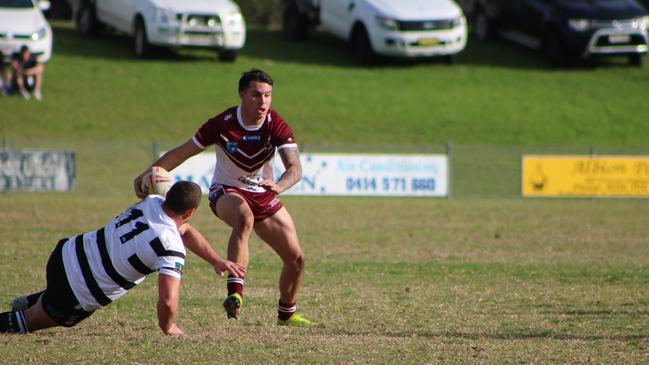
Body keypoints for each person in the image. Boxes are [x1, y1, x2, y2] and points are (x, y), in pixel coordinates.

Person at [133, 69, 314, 327]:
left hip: (264, 193)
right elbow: (182, 152)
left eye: (268, 96)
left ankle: (286, 314)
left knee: (296, 259)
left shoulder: (276, 124)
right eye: (256, 95)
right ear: (242, 94)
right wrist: (148, 173)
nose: (263, 102)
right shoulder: (222, 123)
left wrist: (279, 186)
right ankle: (235, 295)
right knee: (244, 217)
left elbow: (295, 168)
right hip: (226, 191)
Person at [0, 181, 245, 336]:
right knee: (30, 322)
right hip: (77, 289)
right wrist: (168, 327)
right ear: (191, 212)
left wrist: (215, 260)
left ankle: (34, 299)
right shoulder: (170, 246)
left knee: (61, 288)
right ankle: (29, 309)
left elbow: (186, 231)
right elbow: (168, 301)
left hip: (65, 253)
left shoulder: (152, 202)